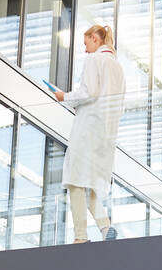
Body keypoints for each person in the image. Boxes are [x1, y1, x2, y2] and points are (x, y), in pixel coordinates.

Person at [54, 24, 126, 242]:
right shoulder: (118, 67)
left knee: (74, 179)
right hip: (107, 132)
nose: (85, 50)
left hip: (88, 128)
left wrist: (63, 97)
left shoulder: (95, 60)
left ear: (95, 38)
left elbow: (89, 91)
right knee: (91, 180)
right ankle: (105, 227)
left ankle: (81, 236)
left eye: (86, 43)